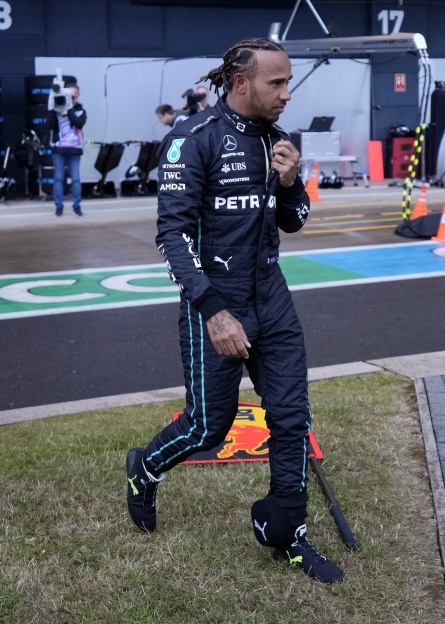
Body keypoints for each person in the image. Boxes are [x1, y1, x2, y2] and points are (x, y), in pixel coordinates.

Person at [125, 38, 342, 584]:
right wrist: (214, 311)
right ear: (241, 83)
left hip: (272, 296)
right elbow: (171, 236)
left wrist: (290, 183)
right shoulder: (192, 139)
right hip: (217, 302)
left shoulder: (279, 140)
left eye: (288, 82)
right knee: (209, 427)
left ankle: (289, 531)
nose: (287, 94)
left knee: (291, 416)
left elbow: (294, 221)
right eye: (278, 83)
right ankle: (144, 468)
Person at [47, 84, 86, 217]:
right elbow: (48, 126)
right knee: (58, 178)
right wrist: (53, 111)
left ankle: (77, 206)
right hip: (59, 149)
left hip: (75, 149)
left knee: (75, 179)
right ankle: (59, 206)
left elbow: (79, 123)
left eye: (75, 93)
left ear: (78, 95)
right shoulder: (56, 108)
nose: (73, 95)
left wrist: (69, 110)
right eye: (70, 93)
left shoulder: (80, 110)